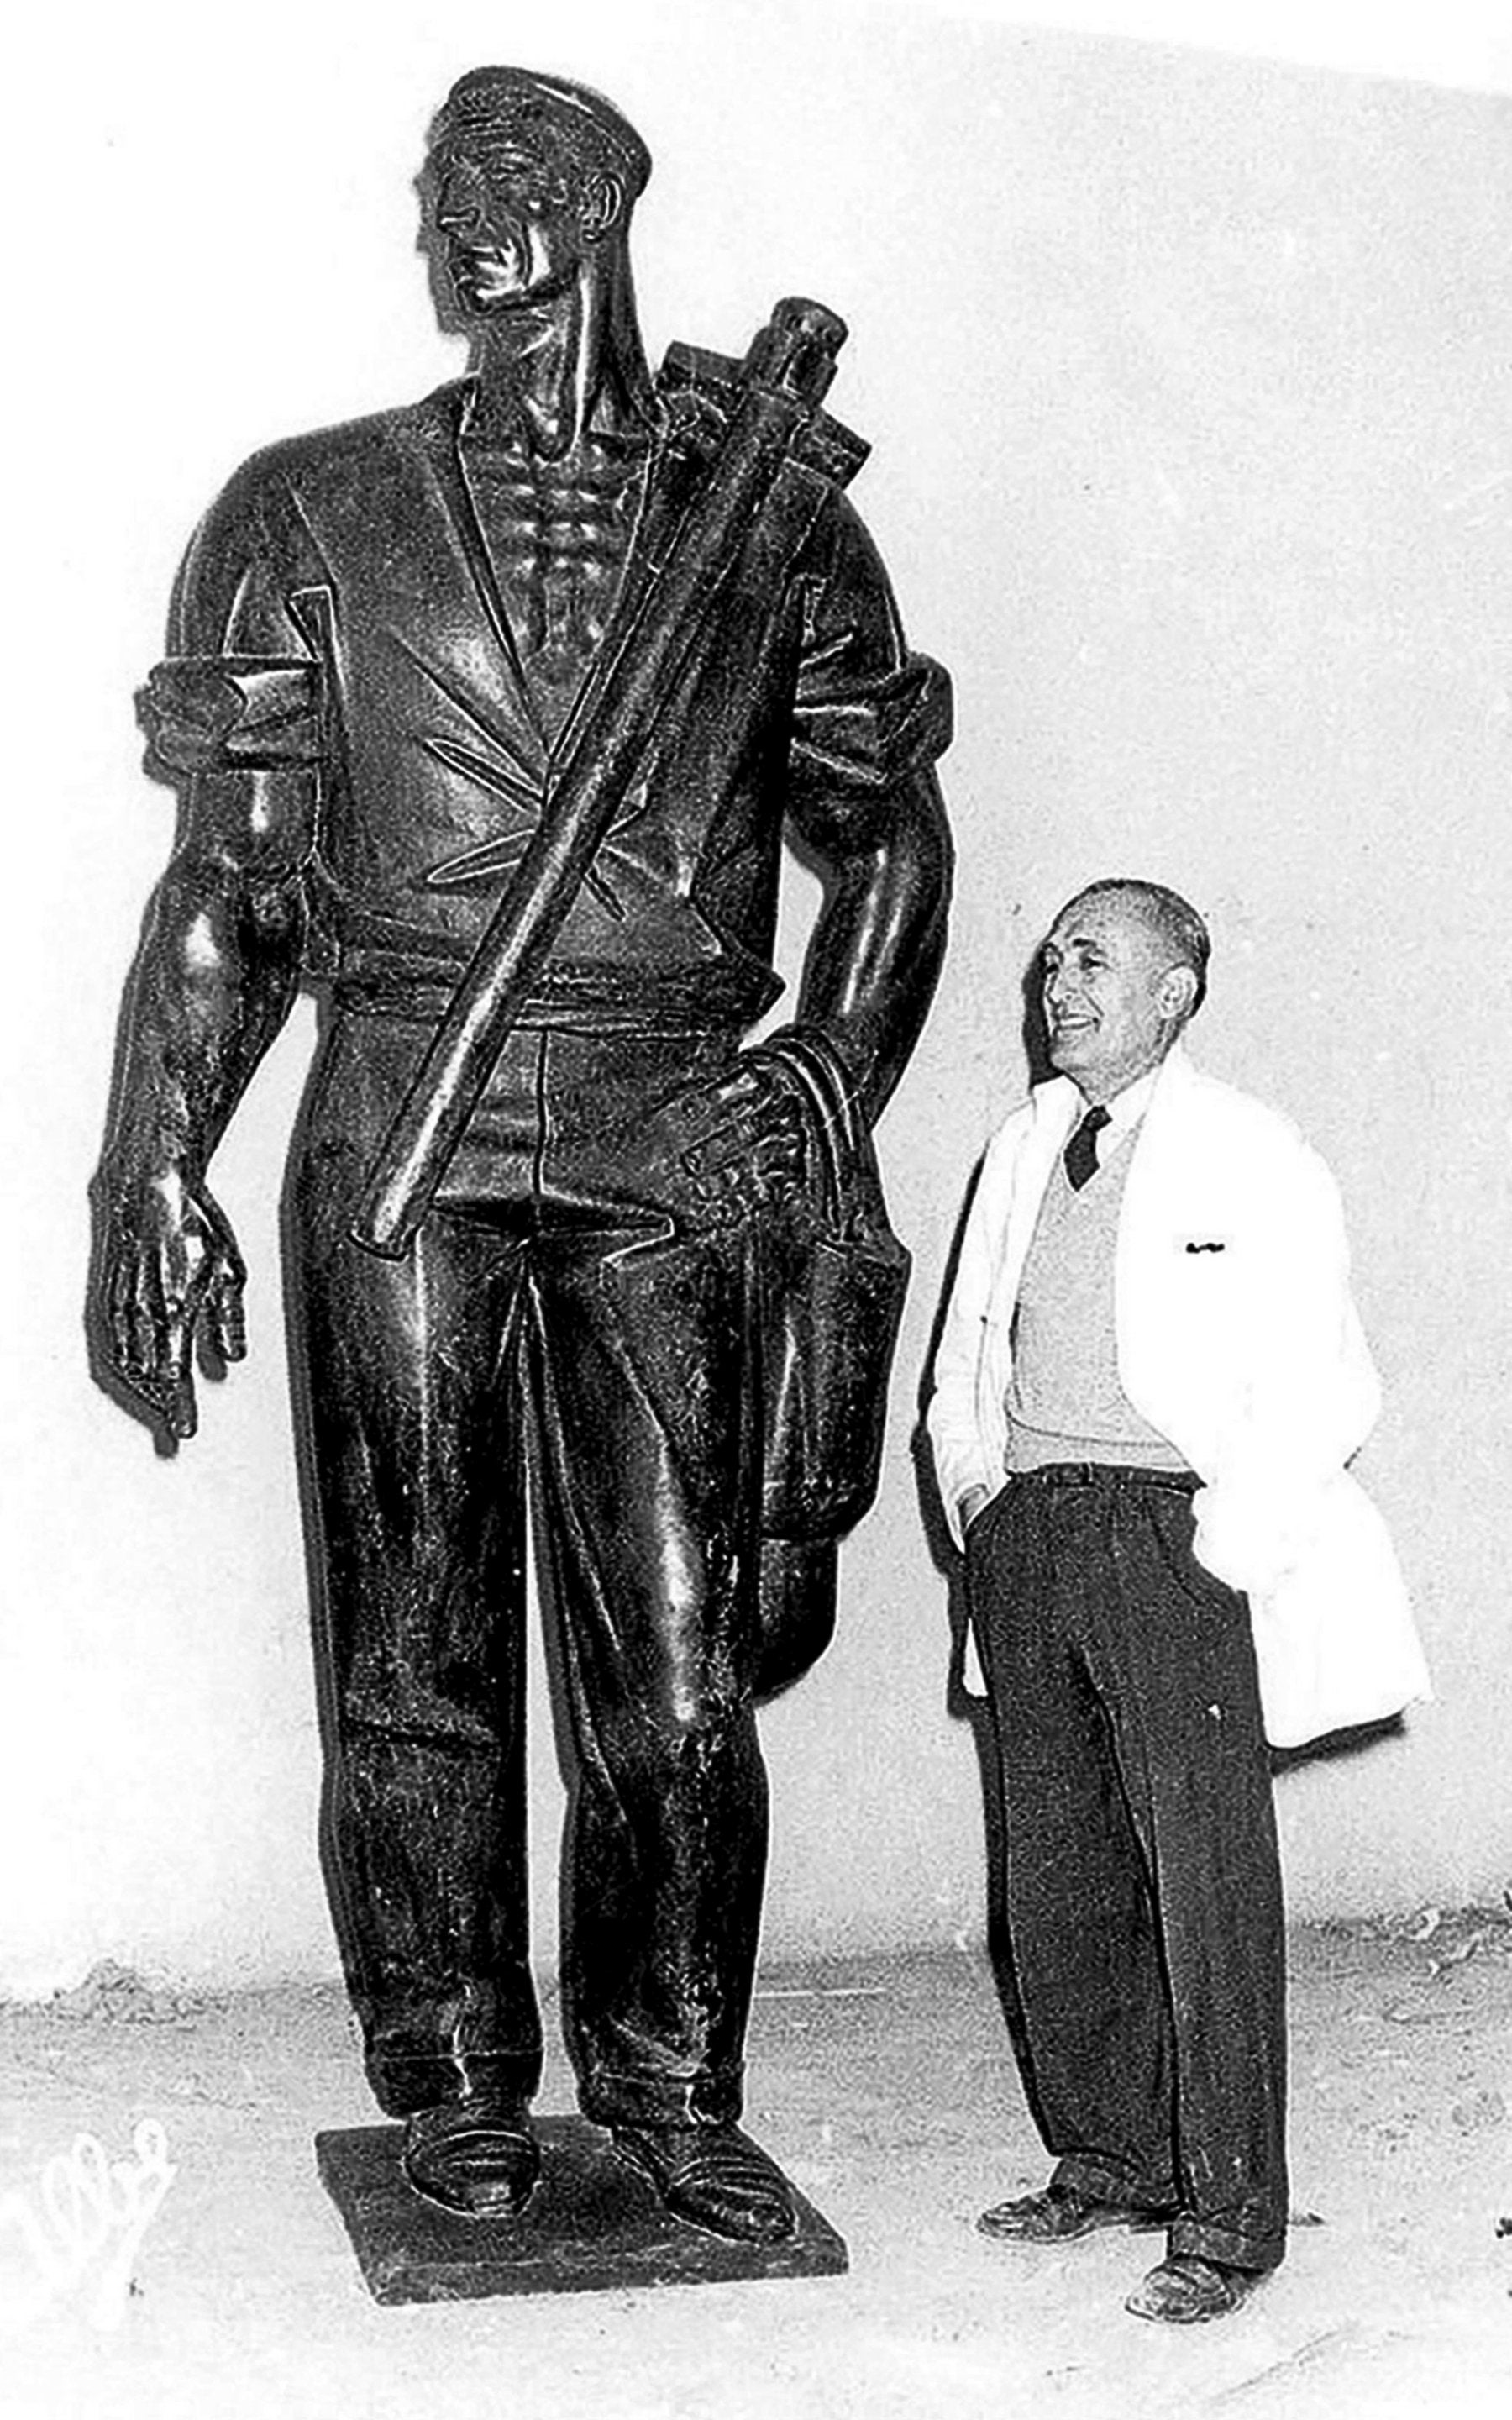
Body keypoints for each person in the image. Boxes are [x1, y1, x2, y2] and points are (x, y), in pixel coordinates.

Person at [94, 66, 952, 2246]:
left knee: (677, 1669)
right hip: (406, 1098)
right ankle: (459, 2073)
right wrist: (154, 1163)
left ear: (588, 201)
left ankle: (671, 2078)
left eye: (480, 185)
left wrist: (835, 1065)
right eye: (431, 191)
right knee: (413, 1648)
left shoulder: (770, 516)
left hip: (671, 1110)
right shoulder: (313, 515)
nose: (438, 225)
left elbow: (888, 835)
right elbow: (232, 887)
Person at [927, 879, 1426, 2323]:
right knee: (1056, 1878)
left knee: (1205, 1891)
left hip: (1171, 1540)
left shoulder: (1251, 1150)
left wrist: (1226, 1546)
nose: (1058, 985)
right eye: (1050, 960)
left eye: (1093, 960)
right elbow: (965, 1354)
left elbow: (1330, 1380)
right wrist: (979, 1498)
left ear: (1174, 993)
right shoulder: (1022, 1145)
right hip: (1029, 1539)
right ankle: (1108, 2161)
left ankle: (1227, 2223)